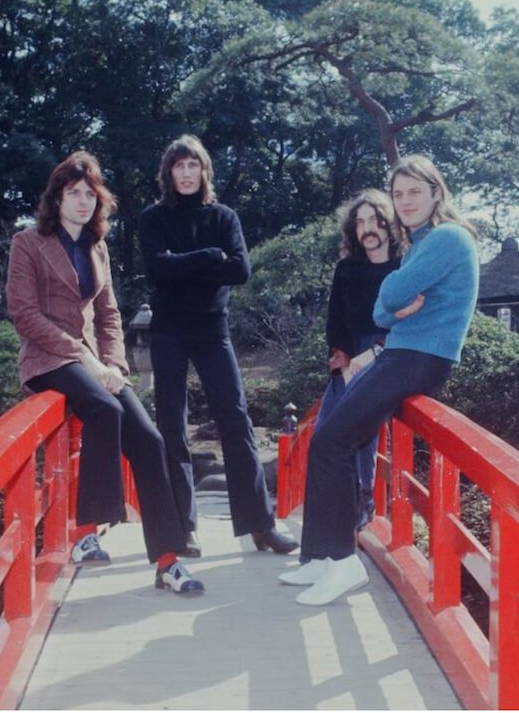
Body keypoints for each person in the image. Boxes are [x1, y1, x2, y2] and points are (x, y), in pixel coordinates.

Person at [283, 155, 479, 606]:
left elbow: (388, 293)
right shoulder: (422, 244)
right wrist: (394, 304)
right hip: (402, 353)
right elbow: (380, 309)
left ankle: (343, 562)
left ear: (436, 193)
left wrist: (394, 302)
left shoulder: (448, 237)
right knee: (329, 438)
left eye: (415, 192)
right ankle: (319, 556)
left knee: (332, 440)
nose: (405, 201)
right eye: (399, 193)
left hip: (417, 357)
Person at [6, 151, 205, 595]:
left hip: (96, 362)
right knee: (102, 410)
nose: (82, 202)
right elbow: (24, 314)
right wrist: (88, 360)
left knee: (150, 440)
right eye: (73, 193)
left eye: (89, 195)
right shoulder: (28, 243)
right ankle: (85, 532)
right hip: (47, 360)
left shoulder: (96, 247)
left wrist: (114, 363)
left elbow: (109, 313)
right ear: (56, 198)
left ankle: (168, 561)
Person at [138, 135, 298, 557]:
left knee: (237, 419)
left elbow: (241, 270)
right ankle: (181, 528)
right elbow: (157, 270)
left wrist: (184, 262)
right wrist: (210, 258)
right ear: (169, 173)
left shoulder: (224, 216)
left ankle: (260, 524)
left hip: (212, 329)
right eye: (179, 166)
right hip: (168, 331)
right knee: (171, 424)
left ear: (205, 171)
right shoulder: (154, 218)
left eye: (194, 166)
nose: (187, 174)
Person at [318, 190, 401, 531]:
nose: (367, 228)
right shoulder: (347, 268)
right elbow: (335, 319)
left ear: (387, 223)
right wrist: (342, 359)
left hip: (389, 352)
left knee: (363, 424)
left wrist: (376, 353)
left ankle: (363, 495)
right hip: (350, 356)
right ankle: (334, 506)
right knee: (325, 430)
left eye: (374, 220)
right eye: (360, 221)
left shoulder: (403, 265)